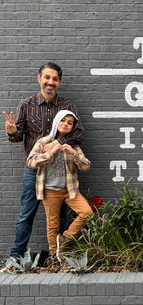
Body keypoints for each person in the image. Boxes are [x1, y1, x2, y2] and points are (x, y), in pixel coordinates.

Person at [1, 62, 84, 272]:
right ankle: (15, 257)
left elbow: (79, 134)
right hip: (34, 172)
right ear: (39, 79)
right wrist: (12, 131)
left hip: (61, 174)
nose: (51, 82)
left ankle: (59, 256)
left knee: (61, 217)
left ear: (59, 82)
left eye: (55, 79)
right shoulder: (27, 104)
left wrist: (59, 143)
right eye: (47, 78)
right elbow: (17, 137)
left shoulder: (67, 106)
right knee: (26, 214)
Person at [26, 110, 93, 259]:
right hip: (50, 191)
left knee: (87, 213)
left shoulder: (73, 145)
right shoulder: (43, 142)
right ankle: (55, 257)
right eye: (63, 121)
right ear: (57, 122)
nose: (66, 124)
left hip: (70, 190)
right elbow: (30, 162)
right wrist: (51, 153)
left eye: (70, 123)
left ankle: (65, 238)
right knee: (53, 224)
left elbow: (85, 166)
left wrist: (73, 153)